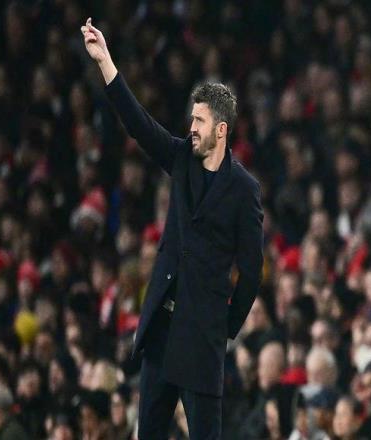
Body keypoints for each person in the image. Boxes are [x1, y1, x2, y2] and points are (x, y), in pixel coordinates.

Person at [81, 16, 264, 440]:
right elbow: (139, 125)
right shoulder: (181, 158)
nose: (191, 128)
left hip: (201, 340)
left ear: (221, 130)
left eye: (199, 121)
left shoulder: (244, 190)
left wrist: (224, 326)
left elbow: (252, 271)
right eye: (191, 120)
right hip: (161, 332)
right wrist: (106, 62)